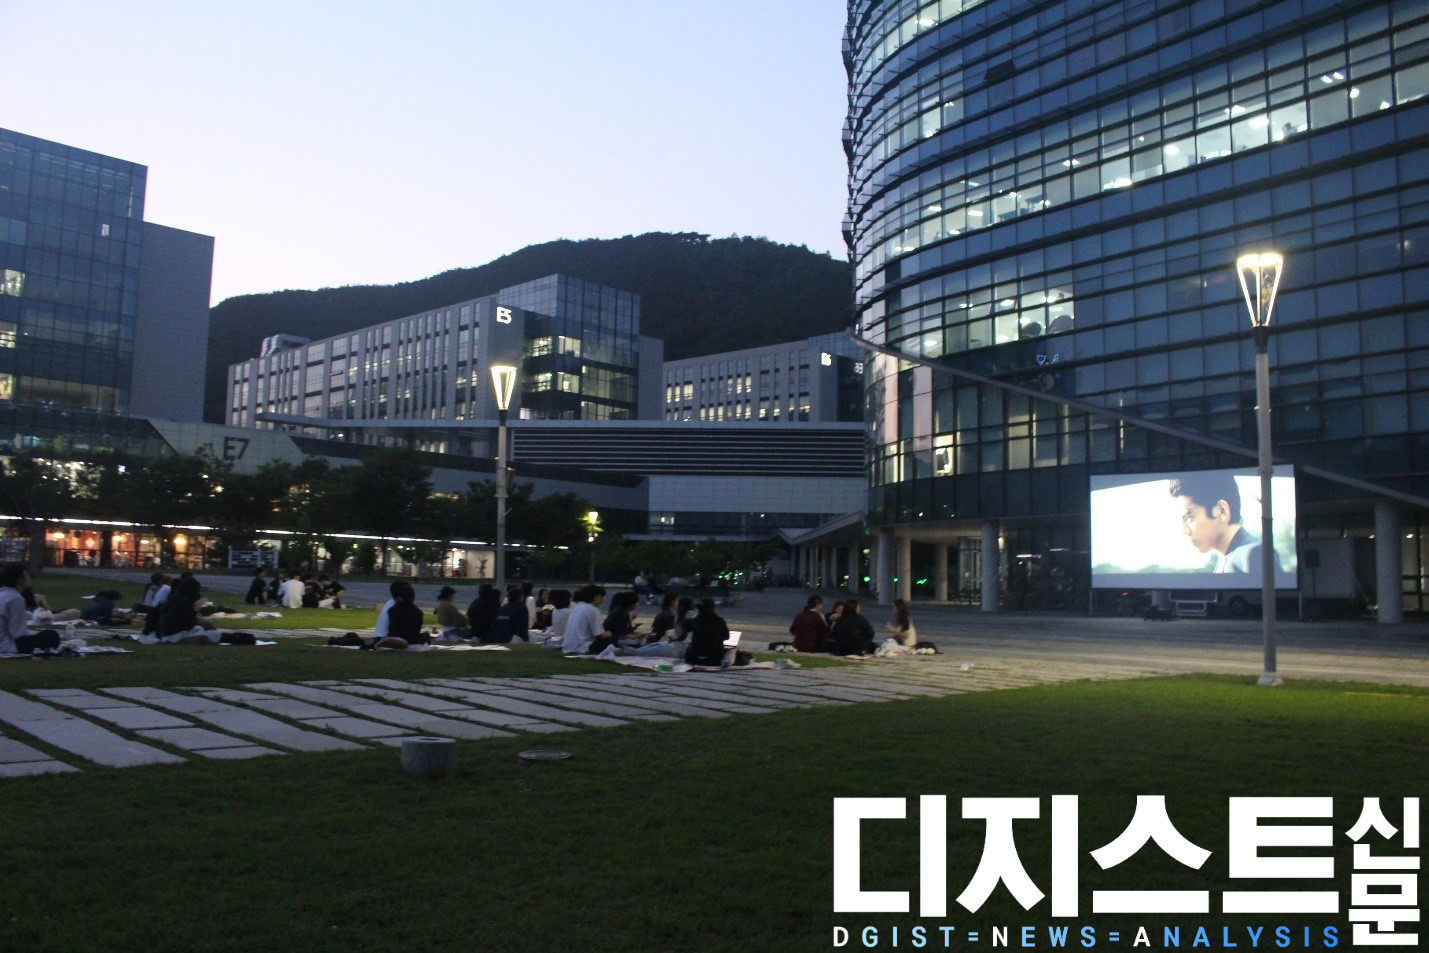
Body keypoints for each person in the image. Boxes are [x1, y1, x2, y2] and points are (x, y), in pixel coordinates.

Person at [1170, 474, 1280, 576]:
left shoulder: (1253, 555)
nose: (1185, 531)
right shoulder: (1226, 558)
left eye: (1188, 516)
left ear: (1221, 511)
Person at [0, 564, 59, 655]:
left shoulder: (3, 594)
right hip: (9, 645)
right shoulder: (16, 599)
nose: (29, 579)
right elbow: (17, 633)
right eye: (26, 577)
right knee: (52, 636)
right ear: (20, 580)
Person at [157, 576, 218, 641]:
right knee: (214, 634)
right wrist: (197, 610)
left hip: (167, 634)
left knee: (202, 629)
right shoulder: (183, 602)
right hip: (176, 636)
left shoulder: (174, 598)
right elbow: (191, 622)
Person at [684, 597, 730, 666]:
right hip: (714, 659)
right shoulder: (719, 621)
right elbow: (726, 636)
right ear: (713, 608)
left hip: (695, 659)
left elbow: (686, 627)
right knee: (730, 651)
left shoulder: (696, 620)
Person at [562, 584, 607, 655]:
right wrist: (609, 634)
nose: (603, 599)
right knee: (611, 641)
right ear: (596, 597)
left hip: (567, 647)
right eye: (602, 596)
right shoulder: (593, 610)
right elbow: (600, 635)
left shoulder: (577, 607)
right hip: (581, 647)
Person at [382, 582, 427, 647]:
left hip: (394, 640)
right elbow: (417, 630)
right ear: (413, 597)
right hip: (411, 640)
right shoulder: (418, 612)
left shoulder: (392, 610)